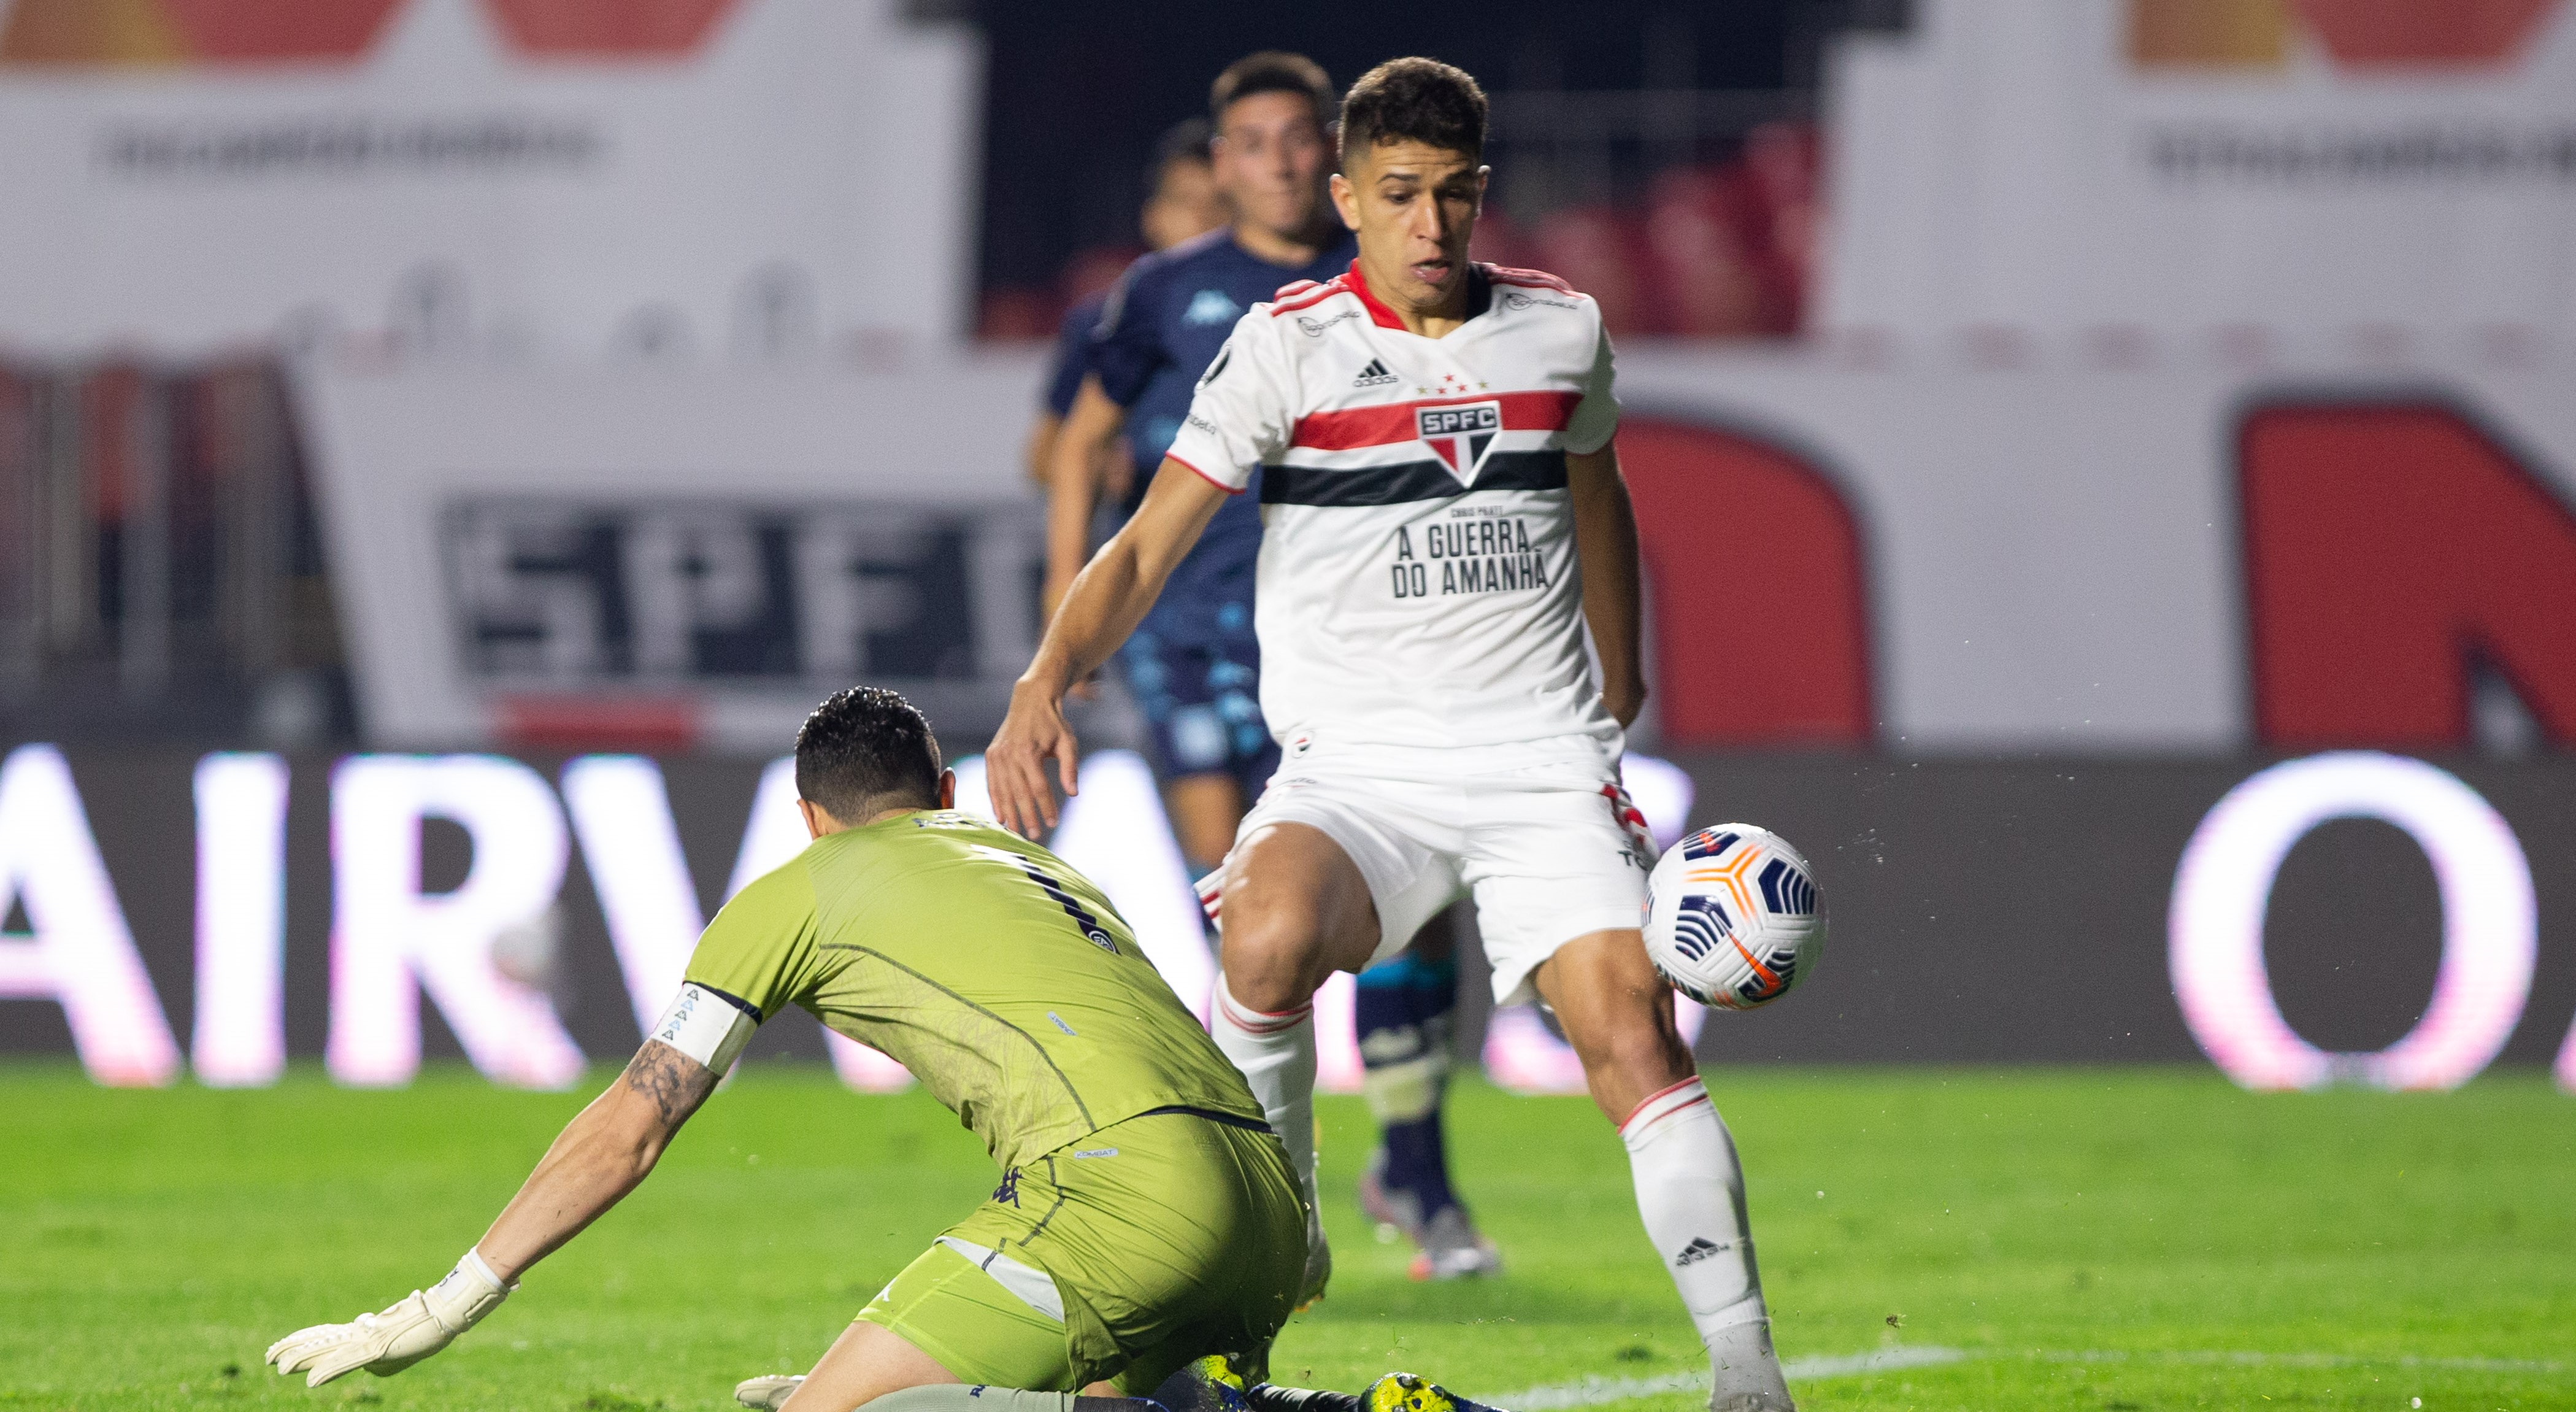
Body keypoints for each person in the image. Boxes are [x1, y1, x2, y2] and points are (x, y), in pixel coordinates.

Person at [986, 57, 1798, 1412]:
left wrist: (1622, 670)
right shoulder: (1285, 344)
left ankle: (1745, 1366)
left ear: (1484, 197)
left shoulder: (1559, 330)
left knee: (1629, 1037)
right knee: (1261, 933)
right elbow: (1141, 547)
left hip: (1539, 758)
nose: (1430, 225)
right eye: (1402, 194)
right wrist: (1042, 681)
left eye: (1457, 195)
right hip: (1356, 769)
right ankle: (1289, 1224)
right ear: (1347, 195)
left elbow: (1595, 489)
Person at [264, 687, 1313, 1412]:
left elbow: (631, 1126)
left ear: (809, 818)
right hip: (1268, 1210)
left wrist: (447, 1302)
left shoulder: (792, 898)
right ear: (944, 796)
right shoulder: (1032, 864)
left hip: (1123, 1202)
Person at [1042, 52, 1353, 877]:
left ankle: (1391, 1011)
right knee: (1226, 871)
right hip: (1188, 620)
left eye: (1294, 140)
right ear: (1224, 161)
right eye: (1253, 142)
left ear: (1329, 148)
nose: (1278, 163)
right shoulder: (1162, 291)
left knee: (1350, 880)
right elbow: (1070, 442)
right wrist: (1065, 592)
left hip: (1342, 626)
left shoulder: (1379, 274)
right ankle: (1252, 1003)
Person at [1025, 120, 1228, 495]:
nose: (1203, 221)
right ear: (1153, 217)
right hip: (1143, 544)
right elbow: (1043, 456)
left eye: (1220, 204)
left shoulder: (1278, 310)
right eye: (1186, 202)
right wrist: (1099, 467)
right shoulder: (1100, 319)